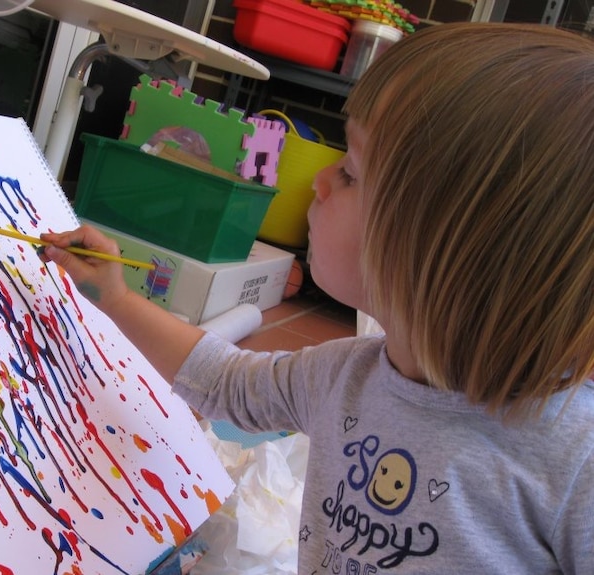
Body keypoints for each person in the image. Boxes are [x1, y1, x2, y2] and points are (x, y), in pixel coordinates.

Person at [40, 22, 594, 573]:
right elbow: (227, 380)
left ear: (451, 241)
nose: (319, 182)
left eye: (350, 172)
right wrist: (111, 294)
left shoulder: (573, 457)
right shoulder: (346, 378)